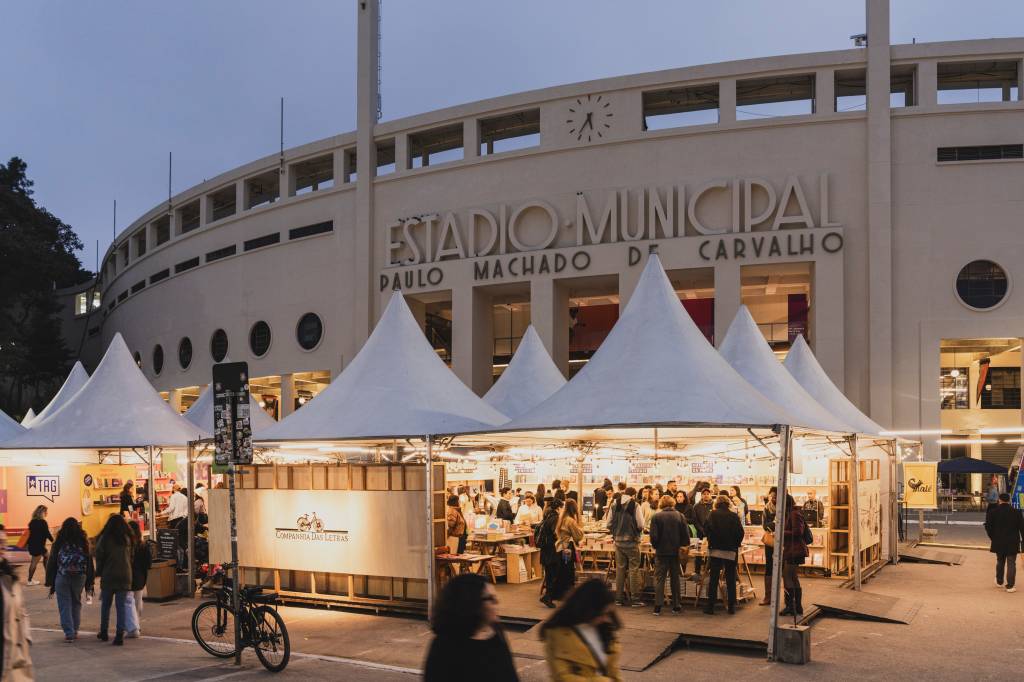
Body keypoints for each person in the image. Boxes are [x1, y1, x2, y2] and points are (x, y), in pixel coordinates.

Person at [423, 574, 518, 682]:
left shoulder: (497, 634)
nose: (496, 602)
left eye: (495, 597)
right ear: (472, 602)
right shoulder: (445, 647)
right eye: (490, 598)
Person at [541, 579, 622, 681]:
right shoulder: (557, 633)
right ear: (588, 609)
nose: (605, 619)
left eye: (608, 613)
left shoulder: (605, 630)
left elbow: (613, 671)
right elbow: (562, 677)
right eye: (601, 614)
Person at [45, 517, 94, 642]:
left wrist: (50, 583)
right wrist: (89, 584)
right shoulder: (84, 541)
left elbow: (52, 562)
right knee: (76, 603)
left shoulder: (59, 542)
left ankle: (69, 633)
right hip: (80, 577)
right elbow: (89, 564)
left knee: (64, 605)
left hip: (62, 576)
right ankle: (75, 631)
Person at [0, 524, 34, 680]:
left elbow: (22, 611)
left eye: (4, 543)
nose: (3, 547)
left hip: (13, 655)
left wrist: (26, 637)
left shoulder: (10, 577)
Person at [94, 514, 134, 645]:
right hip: (125, 575)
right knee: (120, 606)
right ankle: (119, 636)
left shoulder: (105, 538)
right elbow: (132, 556)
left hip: (109, 574)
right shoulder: (127, 538)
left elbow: (99, 555)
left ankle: (104, 632)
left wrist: (98, 571)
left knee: (106, 605)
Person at [703, 496, 744, 615]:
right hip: (730, 550)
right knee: (730, 578)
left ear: (717, 503)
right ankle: (731, 607)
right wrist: (735, 544)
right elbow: (740, 533)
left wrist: (711, 541)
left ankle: (711, 606)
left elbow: (706, 529)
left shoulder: (712, 514)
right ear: (728, 503)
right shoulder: (733, 516)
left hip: (715, 549)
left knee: (714, 578)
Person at [649, 495, 690, 615]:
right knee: (675, 579)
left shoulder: (656, 516)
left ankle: (657, 606)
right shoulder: (680, 516)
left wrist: (657, 546)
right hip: (675, 552)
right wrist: (682, 546)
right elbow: (685, 536)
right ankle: (676, 605)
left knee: (659, 579)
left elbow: (654, 537)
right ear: (673, 503)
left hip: (661, 552)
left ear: (661, 504)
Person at [606, 486, 645, 607]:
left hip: (618, 542)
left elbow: (608, 524)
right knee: (634, 569)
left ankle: (618, 599)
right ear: (633, 495)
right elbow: (641, 524)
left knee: (620, 569)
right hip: (632, 542)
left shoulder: (614, 504)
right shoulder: (635, 505)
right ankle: (635, 599)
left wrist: (616, 531)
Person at [984, 492, 1024, 592]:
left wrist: (993, 538)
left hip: (998, 541)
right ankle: (1010, 586)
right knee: (1011, 563)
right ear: (1009, 500)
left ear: (999, 500)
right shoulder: (1017, 512)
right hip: (1013, 541)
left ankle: (999, 581)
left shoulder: (993, 512)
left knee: (1000, 561)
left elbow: (988, 527)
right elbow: (1022, 529)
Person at [780, 494, 810, 616]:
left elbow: (798, 531)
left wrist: (781, 531)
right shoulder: (794, 513)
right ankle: (796, 606)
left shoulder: (794, 514)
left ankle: (791, 606)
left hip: (794, 550)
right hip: (793, 549)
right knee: (792, 578)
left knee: (788, 577)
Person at [124, 521, 151, 638]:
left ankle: (133, 627)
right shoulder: (143, 545)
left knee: (129, 603)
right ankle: (137, 624)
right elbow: (148, 563)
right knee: (138, 601)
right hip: (140, 577)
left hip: (128, 576)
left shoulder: (126, 545)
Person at [553, 499, 584, 601]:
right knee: (568, 571)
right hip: (567, 548)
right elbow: (578, 536)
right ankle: (567, 594)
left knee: (562, 571)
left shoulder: (562, 518)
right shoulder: (570, 520)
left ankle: (558, 594)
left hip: (560, 547)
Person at [537, 498, 562, 608]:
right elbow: (555, 533)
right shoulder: (555, 518)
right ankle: (548, 597)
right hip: (551, 549)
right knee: (553, 573)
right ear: (558, 508)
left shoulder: (547, 515)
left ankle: (548, 596)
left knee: (549, 573)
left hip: (545, 549)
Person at [759, 487, 778, 606]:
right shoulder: (767, 508)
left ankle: (787, 599)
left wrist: (773, 525)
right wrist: (776, 524)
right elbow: (765, 526)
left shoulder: (786, 508)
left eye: (776, 496)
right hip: (771, 541)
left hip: (784, 541)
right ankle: (768, 596)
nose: (774, 498)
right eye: (772, 496)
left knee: (784, 569)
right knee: (769, 567)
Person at [25, 505, 52, 586]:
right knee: (34, 562)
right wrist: (54, 541)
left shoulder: (32, 522)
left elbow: (31, 535)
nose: (47, 513)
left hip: (33, 545)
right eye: (45, 511)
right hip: (39, 546)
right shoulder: (43, 522)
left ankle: (48, 579)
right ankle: (29, 581)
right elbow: (47, 533)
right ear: (42, 512)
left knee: (47, 556)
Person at [691, 488, 714, 577]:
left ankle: (708, 570)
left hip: (711, 533)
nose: (706, 495)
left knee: (710, 552)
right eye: (704, 494)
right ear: (701, 495)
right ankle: (697, 571)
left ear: (710, 495)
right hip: (700, 532)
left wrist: (709, 530)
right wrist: (701, 529)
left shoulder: (714, 505)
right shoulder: (696, 506)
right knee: (698, 552)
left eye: (708, 494)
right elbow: (695, 520)